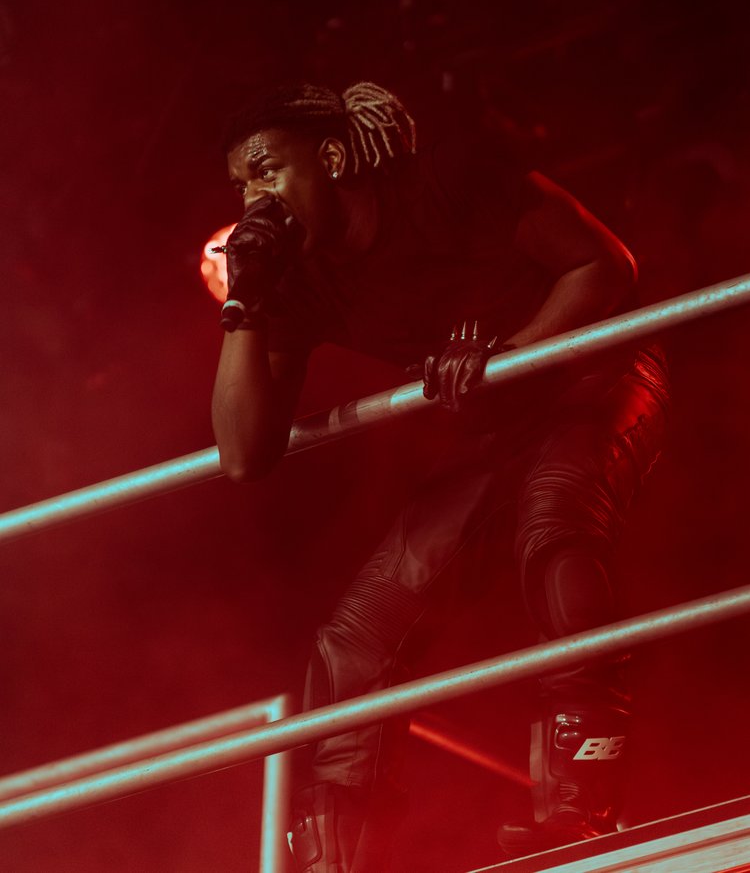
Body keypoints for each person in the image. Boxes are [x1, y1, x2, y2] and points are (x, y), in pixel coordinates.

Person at [211, 81, 670, 870]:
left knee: (554, 526)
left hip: (596, 372)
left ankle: (580, 804)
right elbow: (246, 455)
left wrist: (515, 355)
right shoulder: (300, 281)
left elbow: (605, 265)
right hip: (496, 424)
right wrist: (245, 304)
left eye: (266, 170)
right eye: (242, 186)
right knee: (356, 639)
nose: (255, 198)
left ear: (328, 157)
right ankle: (338, 858)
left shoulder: (444, 178)